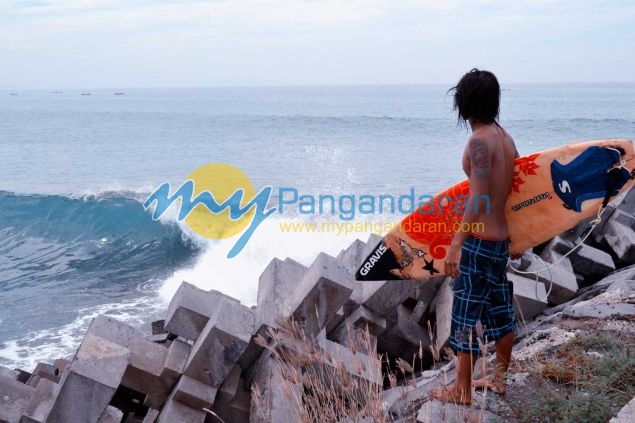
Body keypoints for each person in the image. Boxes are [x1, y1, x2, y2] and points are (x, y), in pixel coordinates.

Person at [430, 68, 519, 405]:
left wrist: (456, 244)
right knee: (501, 310)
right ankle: (498, 379)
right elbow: (510, 192)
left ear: (463, 103)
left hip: (479, 244)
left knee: (464, 317)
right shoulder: (504, 137)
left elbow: (479, 199)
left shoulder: (479, 141)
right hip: (499, 243)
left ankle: (461, 391)